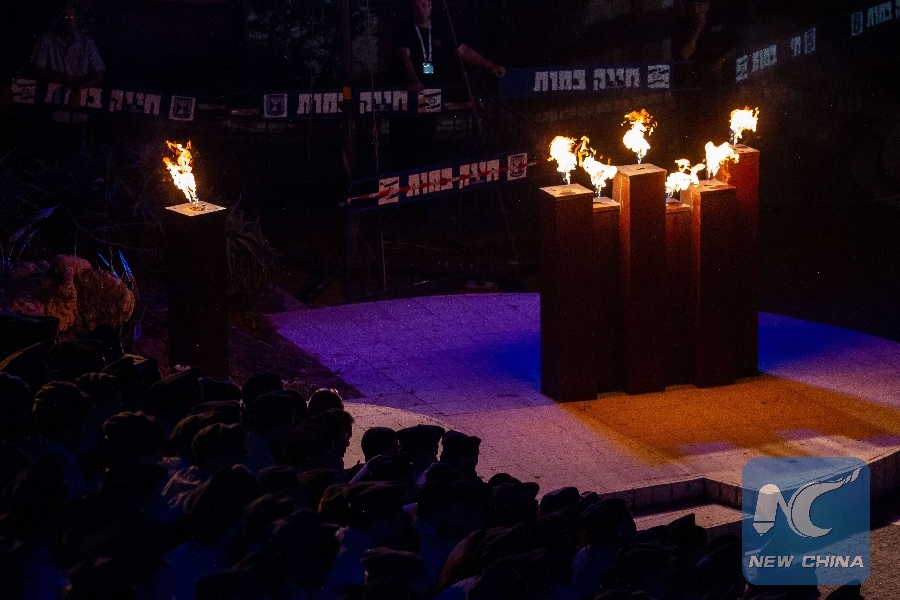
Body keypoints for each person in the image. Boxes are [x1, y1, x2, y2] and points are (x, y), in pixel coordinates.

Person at [390, 0, 506, 169]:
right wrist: (413, 79)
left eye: (424, 5)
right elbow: (404, 57)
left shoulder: (441, 28)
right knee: (404, 141)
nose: (420, 10)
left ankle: (422, 175)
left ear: (431, 6)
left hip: (431, 93)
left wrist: (490, 66)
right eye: (416, 6)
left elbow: (463, 51)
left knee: (427, 138)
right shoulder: (404, 29)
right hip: (409, 93)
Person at [30, 3, 105, 118]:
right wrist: (68, 79)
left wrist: (79, 87)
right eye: (66, 18)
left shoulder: (87, 43)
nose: (70, 22)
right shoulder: (46, 40)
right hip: (52, 110)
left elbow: (99, 74)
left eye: (72, 18)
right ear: (57, 20)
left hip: (80, 111)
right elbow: (37, 70)